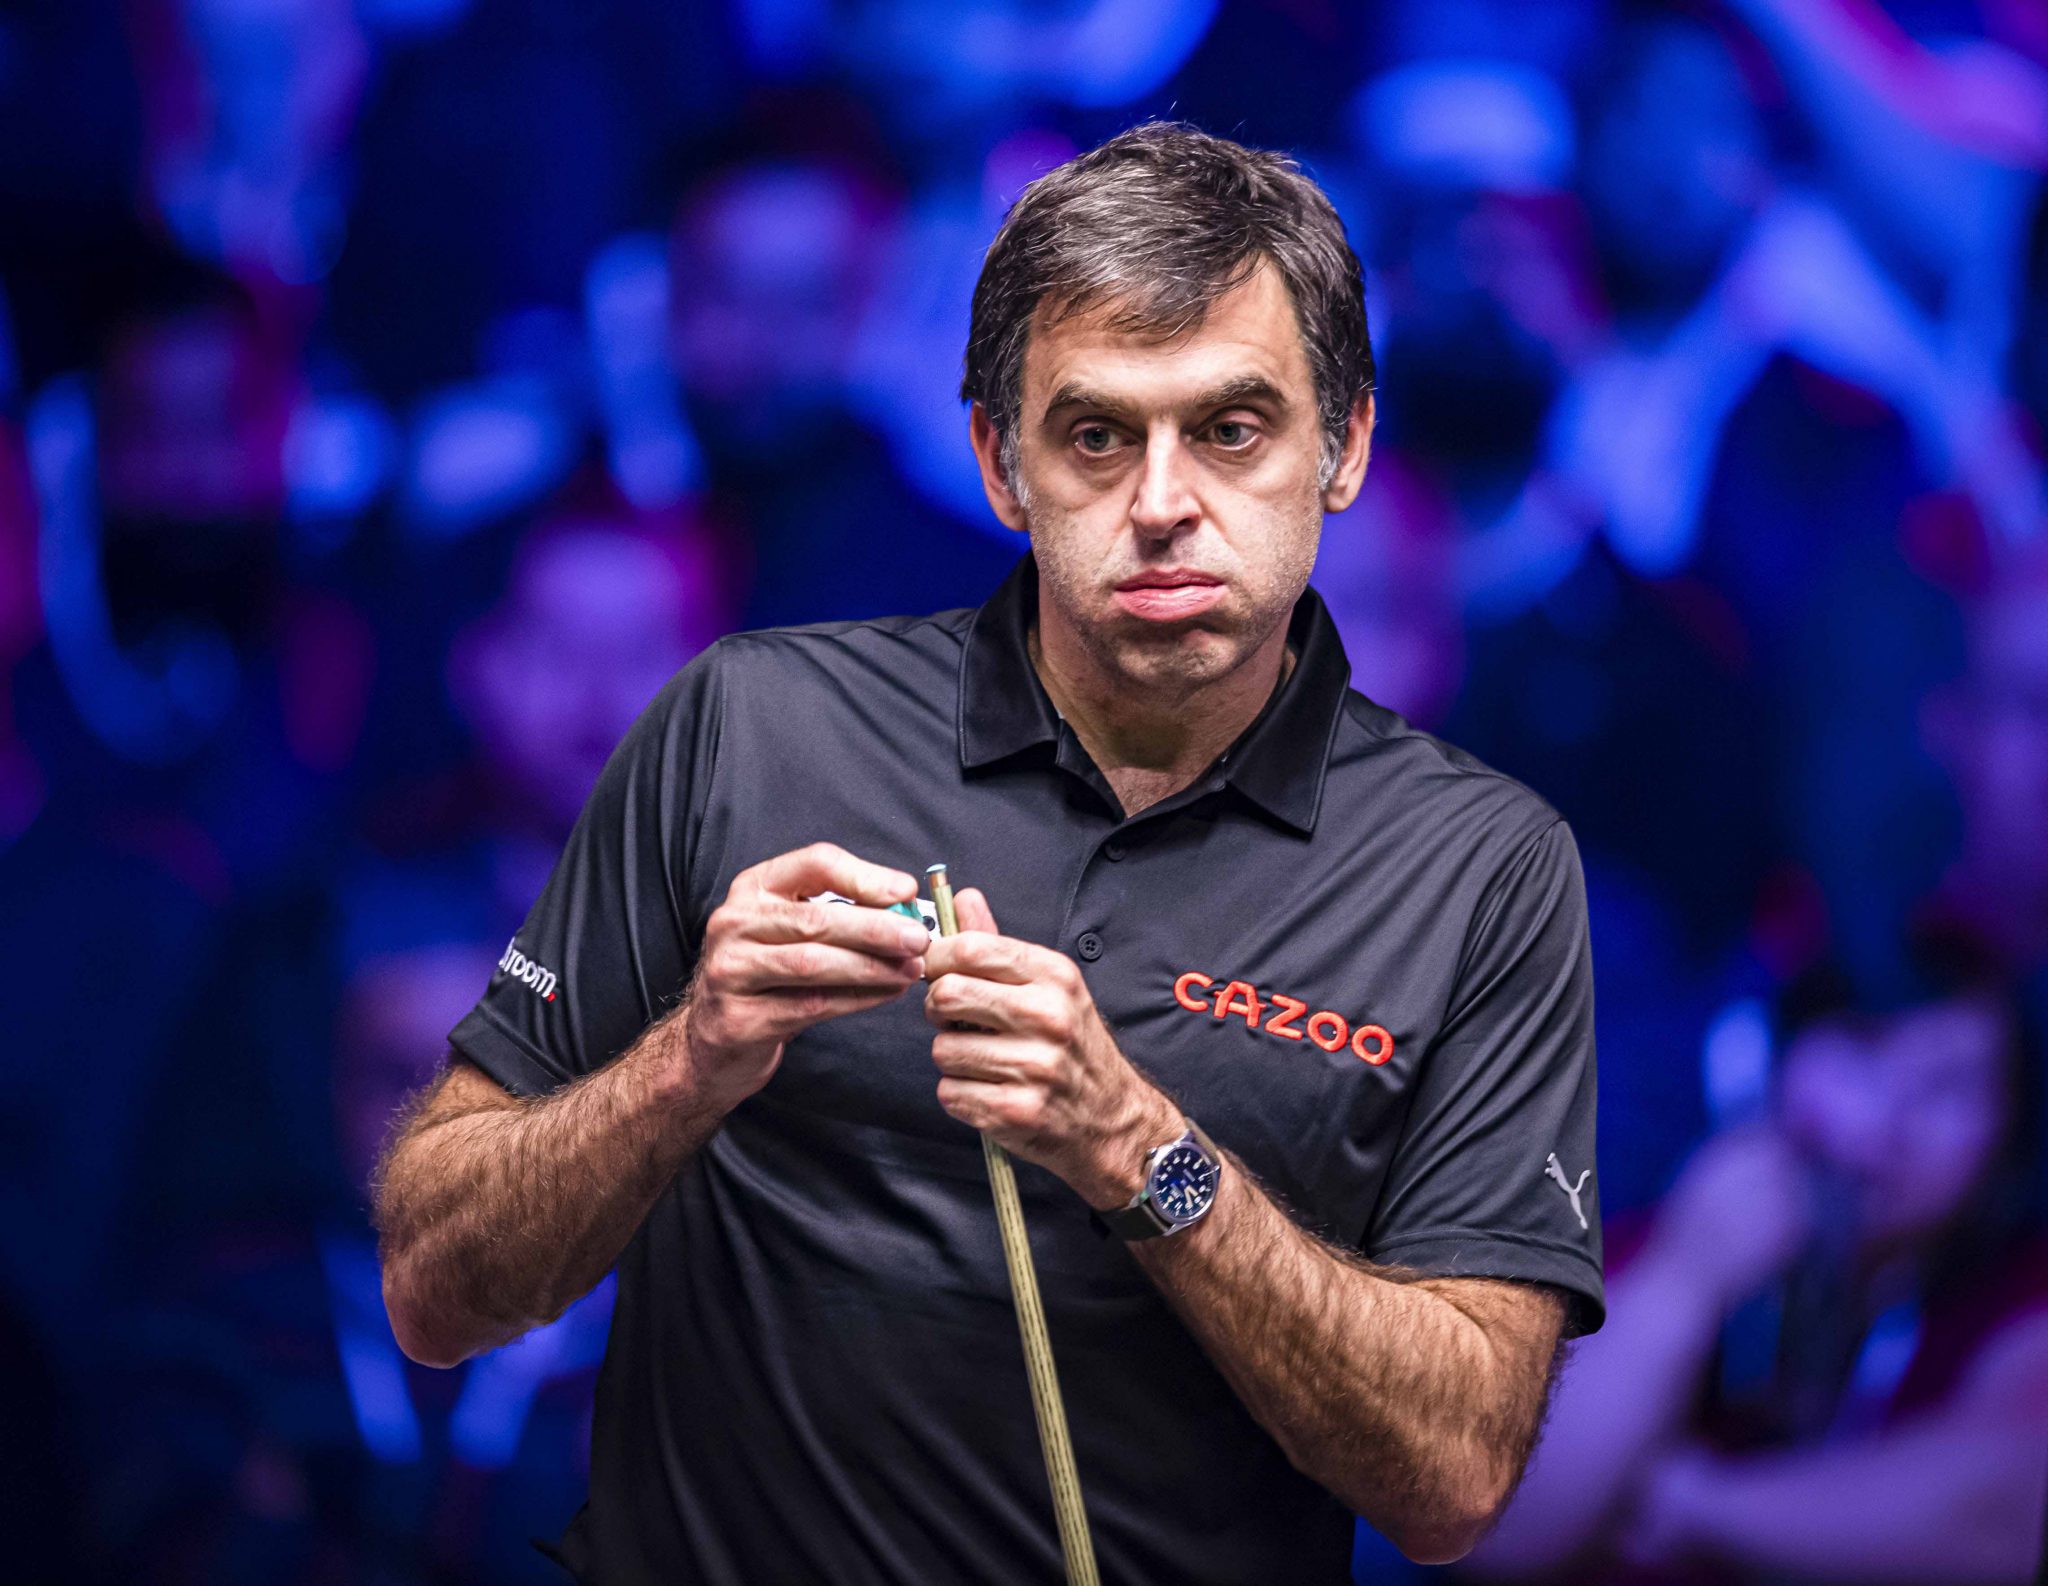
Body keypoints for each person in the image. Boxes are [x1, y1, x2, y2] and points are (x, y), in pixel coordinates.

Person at [374, 120, 1604, 1582]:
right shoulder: (745, 725)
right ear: (998, 462)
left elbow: (1453, 1475)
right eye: (1094, 434)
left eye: (1231, 429)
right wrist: (681, 1063)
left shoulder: (1480, 868)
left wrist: (1138, 1147)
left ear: (1339, 449)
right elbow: (436, 1287)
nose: (1161, 503)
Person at [1462, 950, 2048, 1584]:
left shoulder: (2011, 1293)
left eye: (1950, 1085)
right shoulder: (1638, 1247)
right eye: (1865, 1048)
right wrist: (1685, 1279)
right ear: (1773, 1059)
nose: (1892, 1117)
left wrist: (1693, 1505)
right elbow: (1495, 1527)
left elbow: (2006, 1514)